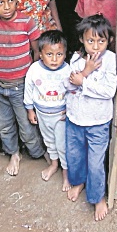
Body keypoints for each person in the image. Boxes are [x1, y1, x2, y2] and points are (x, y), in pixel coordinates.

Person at [0, 0, 45, 176]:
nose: (6, 7)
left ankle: (38, 154)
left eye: (11, 1)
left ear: (17, 0)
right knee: (5, 125)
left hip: (20, 85)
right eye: (0, 2)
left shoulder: (27, 22)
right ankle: (14, 154)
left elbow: (36, 52)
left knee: (27, 126)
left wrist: (33, 81)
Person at [65, 14, 117, 221]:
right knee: (75, 157)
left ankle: (98, 197)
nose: (95, 46)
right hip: (75, 118)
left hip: (97, 122)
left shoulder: (110, 60)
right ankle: (79, 182)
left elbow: (108, 91)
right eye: (90, 41)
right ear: (81, 40)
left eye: (101, 41)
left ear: (109, 41)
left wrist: (83, 82)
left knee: (95, 163)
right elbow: (68, 85)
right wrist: (85, 71)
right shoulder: (76, 59)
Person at [24, 29, 71, 188]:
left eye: (59, 54)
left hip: (61, 115)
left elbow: (73, 92)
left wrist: (70, 109)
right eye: (49, 54)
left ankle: (66, 173)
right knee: (49, 141)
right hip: (42, 114)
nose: (54, 59)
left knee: (62, 144)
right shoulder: (34, 69)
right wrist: (30, 109)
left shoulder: (67, 70)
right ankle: (54, 164)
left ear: (65, 54)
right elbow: (28, 89)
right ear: (41, 54)